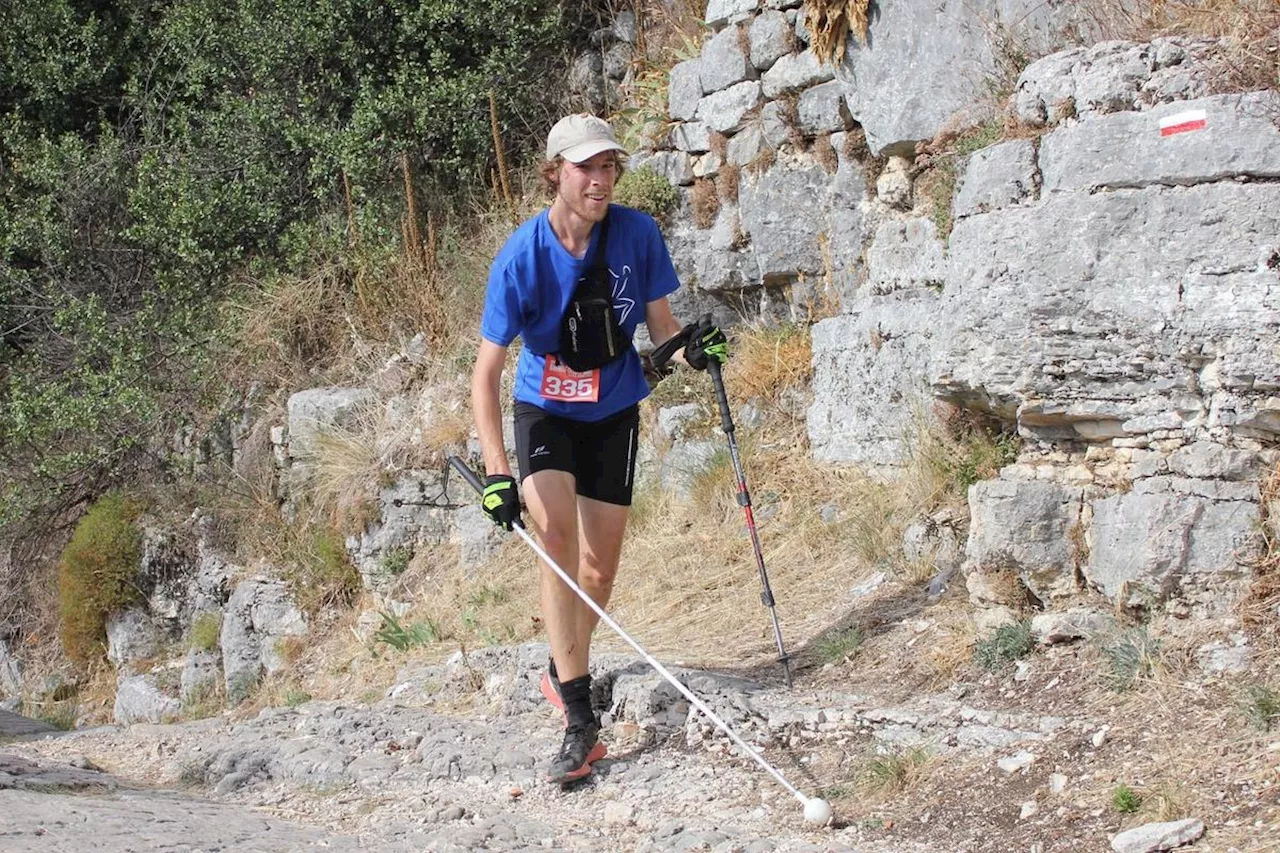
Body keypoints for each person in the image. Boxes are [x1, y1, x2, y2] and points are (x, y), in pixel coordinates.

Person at [470, 113, 727, 783]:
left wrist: (695, 351)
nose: (601, 179)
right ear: (556, 172)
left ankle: (563, 669)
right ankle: (580, 720)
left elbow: (663, 331)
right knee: (553, 535)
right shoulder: (521, 256)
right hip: (545, 411)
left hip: (614, 409)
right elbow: (486, 373)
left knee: (599, 571)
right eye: (587, 167)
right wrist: (499, 472)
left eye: (610, 166)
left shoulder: (637, 234)